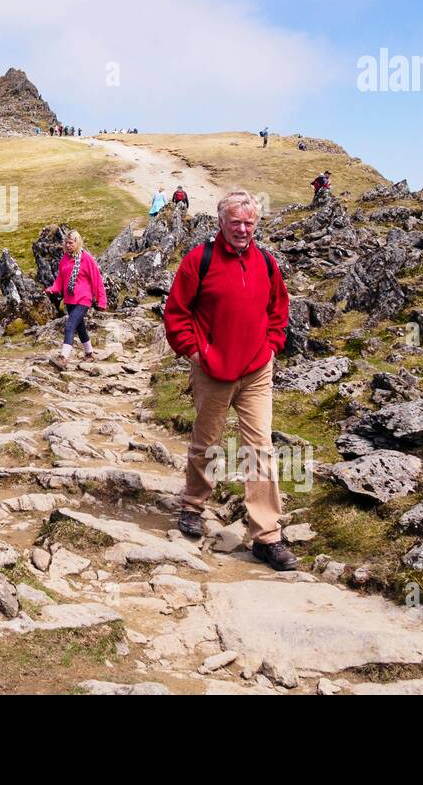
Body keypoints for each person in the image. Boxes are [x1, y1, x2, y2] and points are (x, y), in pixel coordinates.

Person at [161, 189, 296, 571]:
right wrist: (193, 351)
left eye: (249, 222)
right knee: (207, 442)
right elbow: (177, 312)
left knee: (260, 449)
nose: (242, 229)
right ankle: (192, 505)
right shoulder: (199, 260)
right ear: (220, 222)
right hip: (212, 370)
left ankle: (266, 535)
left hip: (256, 370)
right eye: (235, 222)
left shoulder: (267, 262)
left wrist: (272, 345)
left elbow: (278, 309)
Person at [44, 229, 107, 369]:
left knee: (70, 325)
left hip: (83, 299)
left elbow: (97, 280)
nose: (67, 245)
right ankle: (89, 354)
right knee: (80, 327)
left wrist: (102, 301)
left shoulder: (86, 259)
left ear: (77, 243)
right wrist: (52, 289)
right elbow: (60, 280)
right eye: (66, 243)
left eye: (70, 243)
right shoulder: (65, 259)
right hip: (70, 300)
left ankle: (63, 358)